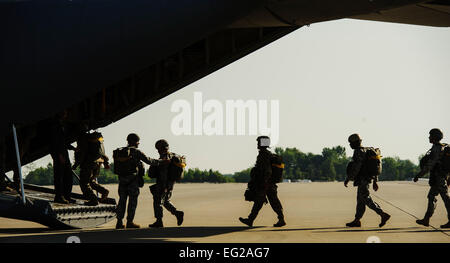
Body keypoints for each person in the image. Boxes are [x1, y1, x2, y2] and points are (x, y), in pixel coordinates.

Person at [114, 133, 168, 229]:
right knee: (132, 202)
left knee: (122, 201)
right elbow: (149, 161)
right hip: (132, 181)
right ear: (135, 142)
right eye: (138, 142)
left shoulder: (120, 152)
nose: (138, 144)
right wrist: (162, 162)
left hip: (122, 180)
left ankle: (119, 222)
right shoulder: (136, 151)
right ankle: (130, 222)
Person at [344, 133, 390, 227]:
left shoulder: (358, 152)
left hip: (362, 179)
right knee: (360, 200)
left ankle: (382, 214)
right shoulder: (368, 150)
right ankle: (357, 220)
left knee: (366, 199)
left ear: (355, 142)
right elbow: (375, 167)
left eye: (351, 143)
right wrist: (375, 181)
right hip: (367, 179)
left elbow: (356, 167)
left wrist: (348, 178)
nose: (350, 145)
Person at [239, 136, 286, 227]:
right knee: (265, 201)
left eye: (259, 142)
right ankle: (251, 219)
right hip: (268, 182)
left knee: (264, 201)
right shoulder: (267, 154)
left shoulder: (264, 155)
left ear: (262, 143)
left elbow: (267, 170)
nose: (257, 144)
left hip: (266, 183)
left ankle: (251, 220)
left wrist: (265, 182)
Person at [414, 128, 450, 228]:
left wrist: (419, 175)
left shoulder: (436, 148)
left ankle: (427, 219)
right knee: (432, 197)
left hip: (439, 178)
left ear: (434, 137)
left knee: (445, 199)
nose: (429, 137)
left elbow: (430, 164)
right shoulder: (443, 147)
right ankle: (426, 219)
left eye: (430, 135)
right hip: (440, 177)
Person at [148, 139, 184, 228]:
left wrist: (164, 186)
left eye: (158, 148)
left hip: (163, 183)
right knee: (165, 201)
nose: (157, 150)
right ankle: (177, 213)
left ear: (160, 148)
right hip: (170, 183)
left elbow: (164, 172)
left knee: (157, 201)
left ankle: (159, 221)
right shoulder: (173, 155)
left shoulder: (165, 157)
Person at [74, 129, 110, 206]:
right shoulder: (98, 140)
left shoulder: (83, 138)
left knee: (84, 183)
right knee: (91, 181)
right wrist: (106, 163)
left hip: (88, 163)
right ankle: (103, 191)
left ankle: (93, 200)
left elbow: (82, 153)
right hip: (98, 163)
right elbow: (102, 153)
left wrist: (76, 164)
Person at [49, 111, 74, 204]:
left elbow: (64, 142)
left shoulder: (62, 125)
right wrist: (59, 155)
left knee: (68, 176)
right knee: (59, 177)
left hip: (64, 153)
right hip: (59, 154)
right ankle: (59, 197)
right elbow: (55, 143)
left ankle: (67, 196)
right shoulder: (55, 126)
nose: (66, 114)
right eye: (64, 112)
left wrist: (73, 148)